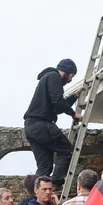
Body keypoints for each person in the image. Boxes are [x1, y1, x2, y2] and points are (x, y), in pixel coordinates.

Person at [23, 59, 82, 187]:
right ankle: (55, 184)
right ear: (67, 72)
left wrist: (74, 97)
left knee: (44, 168)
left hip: (31, 127)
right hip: (41, 125)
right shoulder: (54, 76)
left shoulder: (47, 78)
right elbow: (58, 101)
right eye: (72, 76)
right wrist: (73, 114)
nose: (71, 80)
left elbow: (57, 107)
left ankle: (34, 197)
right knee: (65, 149)